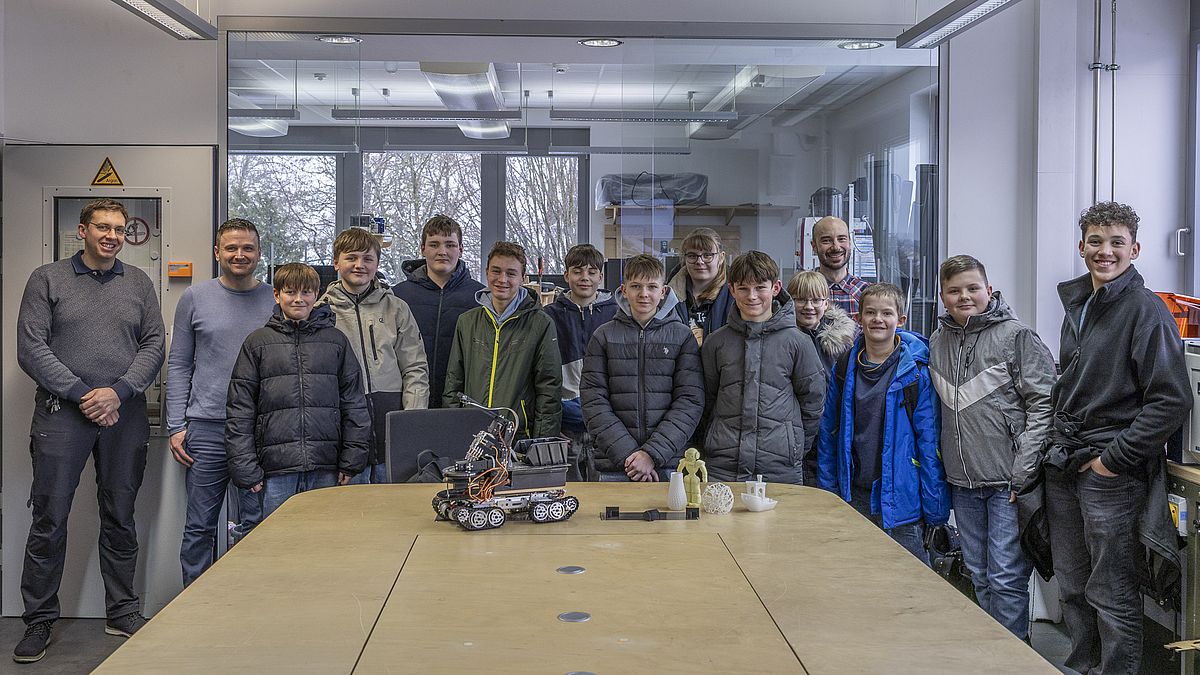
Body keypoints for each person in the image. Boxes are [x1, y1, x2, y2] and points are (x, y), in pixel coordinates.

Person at [14, 198, 165, 663]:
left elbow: (154, 343)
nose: (112, 236)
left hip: (124, 414)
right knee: (49, 518)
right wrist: (85, 394)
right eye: (103, 227)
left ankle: (122, 611)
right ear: (82, 231)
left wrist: (118, 392)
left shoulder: (138, 282)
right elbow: (31, 347)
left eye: (119, 229)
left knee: (120, 515)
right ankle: (39, 620)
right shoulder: (47, 278)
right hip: (62, 413)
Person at [1044, 202, 1190, 674]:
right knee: (1072, 585)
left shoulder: (1146, 311)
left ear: (1135, 249)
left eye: (1116, 243)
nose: (1104, 251)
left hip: (1108, 473)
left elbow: (1171, 400)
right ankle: (1082, 667)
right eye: (1095, 241)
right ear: (1081, 246)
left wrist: (1112, 460)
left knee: (1111, 592)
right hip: (1067, 462)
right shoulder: (1080, 304)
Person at [928, 255, 1055, 640]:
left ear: (989, 289)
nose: (964, 296)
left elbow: (1045, 404)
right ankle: (991, 654)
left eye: (972, 288)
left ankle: (1013, 660)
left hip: (1007, 484)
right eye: (954, 291)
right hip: (962, 483)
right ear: (943, 297)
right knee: (979, 575)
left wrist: (1024, 471)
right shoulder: (937, 341)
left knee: (1005, 578)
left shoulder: (1017, 337)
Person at [166, 218, 274, 588]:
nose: (239, 254)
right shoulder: (194, 298)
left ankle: (248, 601)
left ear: (259, 253)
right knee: (200, 527)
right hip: (206, 428)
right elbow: (179, 364)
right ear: (217, 253)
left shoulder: (275, 300)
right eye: (231, 248)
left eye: (247, 248)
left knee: (256, 524)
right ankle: (194, 605)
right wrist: (176, 426)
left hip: (259, 431)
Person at [817, 283, 949, 565]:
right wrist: (829, 492)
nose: (878, 319)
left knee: (910, 580)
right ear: (858, 318)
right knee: (855, 576)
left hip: (903, 502)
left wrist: (936, 508)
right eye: (870, 312)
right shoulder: (844, 367)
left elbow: (928, 441)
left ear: (900, 320)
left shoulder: (916, 372)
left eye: (886, 313)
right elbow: (829, 433)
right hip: (854, 496)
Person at [225, 263, 371, 518]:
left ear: (317, 295)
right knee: (276, 538)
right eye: (290, 292)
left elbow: (355, 404)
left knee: (325, 536)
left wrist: (352, 460)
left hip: (326, 466)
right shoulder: (257, 343)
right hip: (276, 470)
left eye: (306, 292)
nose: (298, 299)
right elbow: (240, 410)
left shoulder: (336, 341)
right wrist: (246, 467)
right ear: (277, 295)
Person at [700, 251, 825, 484]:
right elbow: (706, 400)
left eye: (760, 288)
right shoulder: (716, 342)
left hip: (779, 468)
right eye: (743, 288)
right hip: (722, 466)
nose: (752, 296)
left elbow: (813, 403)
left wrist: (794, 446)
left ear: (775, 288)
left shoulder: (798, 343)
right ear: (732, 289)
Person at [320, 227, 429, 484]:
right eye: (351, 257)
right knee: (352, 505)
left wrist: (411, 419)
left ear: (377, 264)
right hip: (345, 432)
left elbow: (415, 367)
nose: (360, 265)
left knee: (393, 504)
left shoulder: (397, 308)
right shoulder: (321, 312)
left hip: (391, 425)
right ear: (336, 262)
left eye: (368, 258)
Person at [581, 254, 704, 482]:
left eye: (652, 287)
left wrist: (651, 454)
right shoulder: (603, 336)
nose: (644, 294)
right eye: (636, 286)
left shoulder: (682, 337)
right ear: (624, 290)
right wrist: (630, 456)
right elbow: (593, 400)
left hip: (669, 462)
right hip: (614, 463)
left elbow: (689, 401)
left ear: (663, 291)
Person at [443, 241, 562, 439]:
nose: (502, 279)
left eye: (511, 273)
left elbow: (549, 390)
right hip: (472, 435)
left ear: (523, 278)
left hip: (518, 437)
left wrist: (541, 443)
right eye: (496, 271)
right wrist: (454, 432)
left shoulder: (540, 324)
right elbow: (453, 383)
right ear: (486, 273)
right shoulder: (467, 322)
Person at [542, 243, 617, 480]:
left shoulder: (617, 315)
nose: (585, 277)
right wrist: (552, 425)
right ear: (566, 275)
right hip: (565, 427)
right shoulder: (548, 316)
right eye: (577, 271)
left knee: (606, 493)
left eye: (592, 272)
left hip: (606, 426)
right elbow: (541, 376)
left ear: (600, 277)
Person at [394, 215, 484, 408]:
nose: (442, 252)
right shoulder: (398, 296)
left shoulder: (480, 298)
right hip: (409, 402)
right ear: (423, 249)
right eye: (434, 244)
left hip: (462, 404)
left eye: (450, 245)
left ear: (461, 249)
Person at [667, 227, 736, 343]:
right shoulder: (668, 295)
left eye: (707, 255)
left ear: (721, 257)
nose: (699, 261)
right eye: (692, 255)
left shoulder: (736, 295)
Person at [787, 270, 856, 372]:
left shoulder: (841, 340)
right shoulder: (783, 338)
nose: (809, 307)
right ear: (790, 302)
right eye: (801, 300)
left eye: (816, 300)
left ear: (826, 304)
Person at [811, 216, 871, 320]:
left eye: (842, 239)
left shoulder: (867, 293)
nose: (836, 247)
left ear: (850, 242)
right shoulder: (801, 291)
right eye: (826, 240)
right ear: (814, 246)